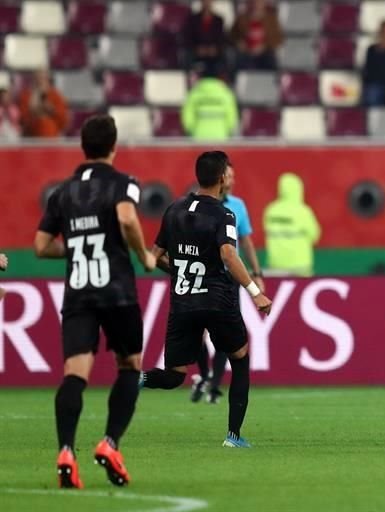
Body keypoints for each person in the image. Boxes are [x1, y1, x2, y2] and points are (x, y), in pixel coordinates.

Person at [33, 115, 157, 488]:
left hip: (78, 292)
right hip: (116, 291)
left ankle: (66, 450)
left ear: (83, 147)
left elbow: (40, 246)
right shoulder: (124, 184)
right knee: (130, 366)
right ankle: (109, 443)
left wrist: (74, 247)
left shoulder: (62, 192)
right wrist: (144, 256)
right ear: (114, 147)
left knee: (75, 373)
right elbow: (128, 220)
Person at [141, 151, 272, 448]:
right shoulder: (224, 214)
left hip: (183, 302)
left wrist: (178, 270)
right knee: (240, 359)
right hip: (216, 300)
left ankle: (136, 379)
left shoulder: (174, 209)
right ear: (222, 178)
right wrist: (256, 292)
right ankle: (233, 436)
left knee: (174, 376)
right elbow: (228, 254)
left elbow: (153, 258)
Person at [191, 164, 267, 404]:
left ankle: (213, 385)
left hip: (228, 276)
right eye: (228, 176)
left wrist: (256, 272)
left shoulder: (237, 206)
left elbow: (244, 241)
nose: (232, 180)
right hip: (201, 274)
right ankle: (204, 376)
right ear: (218, 178)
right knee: (198, 333)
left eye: (234, 176)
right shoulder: (194, 205)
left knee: (225, 330)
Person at [263, 173, 321, 277]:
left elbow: (266, 231)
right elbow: (315, 235)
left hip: (276, 263)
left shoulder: (271, 210)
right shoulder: (303, 211)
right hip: (300, 265)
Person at [181, 71, 239, 141]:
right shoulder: (226, 94)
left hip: (198, 138)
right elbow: (232, 119)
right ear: (220, 78)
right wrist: (226, 131)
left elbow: (187, 118)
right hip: (221, 137)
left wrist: (193, 131)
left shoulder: (193, 94)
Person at [230, 0, 283, 70]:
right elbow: (232, 36)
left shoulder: (271, 19)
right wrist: (239, 43)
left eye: (258, 2)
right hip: (246, 54)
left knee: (270, 60)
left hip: (265, 54)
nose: (256, 5)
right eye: (253, 2)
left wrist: (264, 46)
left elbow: (278, 38)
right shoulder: (241, 18)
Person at [18, 68, 69, 138]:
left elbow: (64, 120)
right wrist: (33, 109)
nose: (40, 81)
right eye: (38, 78)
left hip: (52, 136)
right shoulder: (26, 96)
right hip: (31, 137)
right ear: (34, 79)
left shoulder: (56, 95)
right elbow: (22, 120)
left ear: (47, 79)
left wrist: (51, 110)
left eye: (42, 78)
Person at [184, 0, 228, 78]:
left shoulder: (219, 20)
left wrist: (215, 49)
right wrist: (197, 49)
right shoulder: (193, 19)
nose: (207, 2)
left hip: (214, 53)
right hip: (197, 52)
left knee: (226, 57)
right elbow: (188, 38)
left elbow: (221, 39)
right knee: (187, 56)